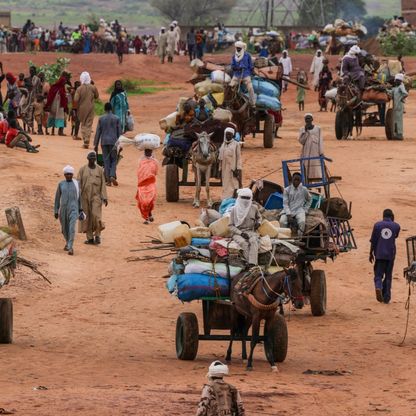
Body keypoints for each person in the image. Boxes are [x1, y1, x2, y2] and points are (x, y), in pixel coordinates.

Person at [369, 209, 400, 304]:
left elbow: (373, 241)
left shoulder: (377, 225)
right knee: (388, 276)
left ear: (383, 216)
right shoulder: (396, 226)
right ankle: (387, 297)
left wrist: (371, 253)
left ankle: (378, 287)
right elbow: (395, 236)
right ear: (392, 216)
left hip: (379, 254)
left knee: (378, 275)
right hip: (391, 254)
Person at [77, 152, 108, 245]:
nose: (92, 160)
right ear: (87, 158)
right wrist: (77, 197)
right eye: (91, 158)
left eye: (94, 158)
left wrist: (105, 197)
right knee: (87, 218)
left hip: (96, 196)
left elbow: (103, 184)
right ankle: (90, 238)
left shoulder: (99, 170)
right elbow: (78, 184)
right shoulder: (82, 170)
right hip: (84, 196)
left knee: (96, 216)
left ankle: (97, 235)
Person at [54, 165, 83, 256]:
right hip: (63, 210)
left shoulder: (76, 184)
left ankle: (70, 247)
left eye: (70, 174)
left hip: (74, 209)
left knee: (71, 228)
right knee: (64, 229)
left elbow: (80, 198)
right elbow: (57, 198)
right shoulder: (61, 184)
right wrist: (55, 210)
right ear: (64, 175)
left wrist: (80, 208)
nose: (69, 176)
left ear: (72, 174)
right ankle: (67, 242)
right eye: (67, 174)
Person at [229, 188, 261, 267]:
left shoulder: (254, 208)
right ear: (239, 198)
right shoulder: (234, 210)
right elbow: (230, 226)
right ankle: (248, 262)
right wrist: (241, 233)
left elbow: (259, 217)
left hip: (251, 231)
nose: (246, 200)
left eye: (248, 198)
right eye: (244, 198)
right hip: (238, 233)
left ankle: (252, 264)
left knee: (253, 241)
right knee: (244, 243)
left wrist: (258, 223)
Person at [94, 102, 121, 186]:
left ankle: (108, 181)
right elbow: (119, 133)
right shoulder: (116, 118)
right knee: (114, 160)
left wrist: (95, 144)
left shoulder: (101, 118)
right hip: (114, 142)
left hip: (104, 142)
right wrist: (120, 145)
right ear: (111, 109)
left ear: (105, 109)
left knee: (106, 160)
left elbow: (98, 132)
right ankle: (112, 175)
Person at [74, 72, 99, 149]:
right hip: (91, 108)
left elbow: (76, 99)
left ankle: (85, 140)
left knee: (83, 124)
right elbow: (97, 96)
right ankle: (87, 140)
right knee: (88, 124)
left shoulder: (79, 88)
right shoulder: (93, 87)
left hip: (81, 109)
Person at [298, 113, 323, 183]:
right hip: (305, 152)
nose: (308, 120)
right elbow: (301, 141)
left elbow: (320, 141)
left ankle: (318, 183)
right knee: (305, 167)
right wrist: (305, 131)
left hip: (315, 152)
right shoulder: (302, 129)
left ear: (312, 119)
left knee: (316, 167)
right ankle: (307, 183)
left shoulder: (318, 128)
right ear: (305, 120)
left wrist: (321, 152)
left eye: (309, 118)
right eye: (306, 119)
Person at [136, 148, 159, 224]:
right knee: (143, 202)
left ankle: (149, 215)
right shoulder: (141, 161)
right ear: (144, 152)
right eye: (146, 151)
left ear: (151, 152)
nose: (148, 152)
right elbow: (139, 172)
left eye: (149, 151)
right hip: (142, 184)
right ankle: (147, 218)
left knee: (149, 201)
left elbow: (155, 172)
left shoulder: (155, 162)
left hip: (150, 184)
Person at [230, 41, 256, 107]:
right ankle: (229, 102)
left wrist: (252, 71)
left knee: (250, 88)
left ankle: (253, 103)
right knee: (230, 87)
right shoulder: (234, 56)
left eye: (239, 48)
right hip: (236, 75)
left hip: (246, 75)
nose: (238, 49)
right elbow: (232, 66)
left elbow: (251, 66)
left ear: (242, 48)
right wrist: (237, 68)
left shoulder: (247, 55)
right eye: (237, 48)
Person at [219, 127, 242, 200]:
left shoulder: (236, 144)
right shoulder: (223, 144)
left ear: (233, 135)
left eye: (230, 134)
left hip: (233, 168)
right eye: (227, 134)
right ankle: (226, 199)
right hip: (224, 168)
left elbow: (238, 158)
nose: (228, 136)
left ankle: (233, 199)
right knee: (225, 184)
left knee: (234, 184)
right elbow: (221, 158)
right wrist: (220, 168)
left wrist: (238, 169)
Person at [391, 73, 408, 140]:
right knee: (395, 120)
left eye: (397, 80)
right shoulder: (396, 88)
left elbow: (405, 93)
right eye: (396, 80)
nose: (396, 81)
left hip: (399, 105)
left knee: (399, 120)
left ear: (400, 81)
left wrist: (401, 98)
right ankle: (396, 134)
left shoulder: (401, 86)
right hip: (396, 106)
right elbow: (390, 92)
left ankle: (400, 135)